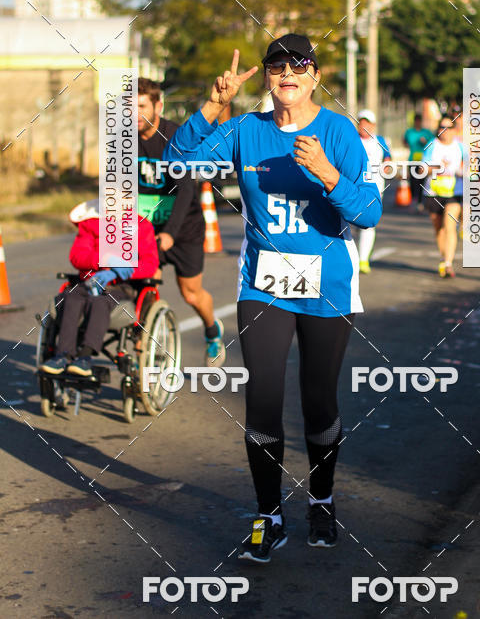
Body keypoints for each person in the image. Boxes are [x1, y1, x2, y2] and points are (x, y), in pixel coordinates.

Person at [163, 33, 382, 562]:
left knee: (318, 402)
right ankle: (268, 515)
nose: (287, 74)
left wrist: (328, 174)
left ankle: (322, 499)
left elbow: (368, 212)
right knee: (262, 399)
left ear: (315, 76)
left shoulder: (339, 131)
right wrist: (213, 106)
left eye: (298, 65)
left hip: (328, 287)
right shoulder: (246, 129)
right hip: (263, 285)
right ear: (266, 76)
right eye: (277, 66)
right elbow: (177, 163)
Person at [137, 78, 224, 367]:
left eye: (141, 106)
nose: (134, 114)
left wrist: (171, 234)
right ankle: (144, 342)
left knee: (191, 293)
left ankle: (212, 330)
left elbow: (187, 190)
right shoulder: (123, 142)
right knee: (144, 285)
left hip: (183, 229)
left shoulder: (175, 137)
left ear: (158, 106)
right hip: (148, 229)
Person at [41, 200, 159, 376]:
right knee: (70, 298)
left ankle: (85, 357)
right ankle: (62, 355)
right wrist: (104, 258)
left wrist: (119, 271)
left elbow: (150, 264)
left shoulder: (141, 226)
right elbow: (77, 256)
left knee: (100, 302)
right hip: (89, 281)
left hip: (121, 286)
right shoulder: (91, 224)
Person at [422, 116, 464, 278]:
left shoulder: (460, 147)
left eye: (448, 127)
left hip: (454, 193)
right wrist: (437, 168)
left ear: (454, 130)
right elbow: (422, 169)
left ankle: (448, 263)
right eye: (441, 127)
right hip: (433, 193)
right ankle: (443, 257)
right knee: (439, 229)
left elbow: (472, 166)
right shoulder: (432, 145)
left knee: (449, 226)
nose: (444, 131)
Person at [356, 108, 391, 273]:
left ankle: (363, 260)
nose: (364, 126)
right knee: (348, 223)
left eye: (367, 123)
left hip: (375, 188)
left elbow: (388, 160)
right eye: (361, 122)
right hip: (353, 187)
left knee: (368, 224)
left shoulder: (380, 141)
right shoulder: (352, 139)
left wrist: (387, 167)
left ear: (374, 125)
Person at [404, 113, 433, 210]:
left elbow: (433, 143)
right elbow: (404, 141)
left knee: (421, 181)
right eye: (416, 121)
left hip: (423, 161)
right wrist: (407, 145)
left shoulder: (426, 132)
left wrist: (425, 142)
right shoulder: (409, 132)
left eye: (419, 121)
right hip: (412, 159)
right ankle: (413, 199)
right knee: (413, 181)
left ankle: (420, 201)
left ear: (421, 122)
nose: (417, 123)